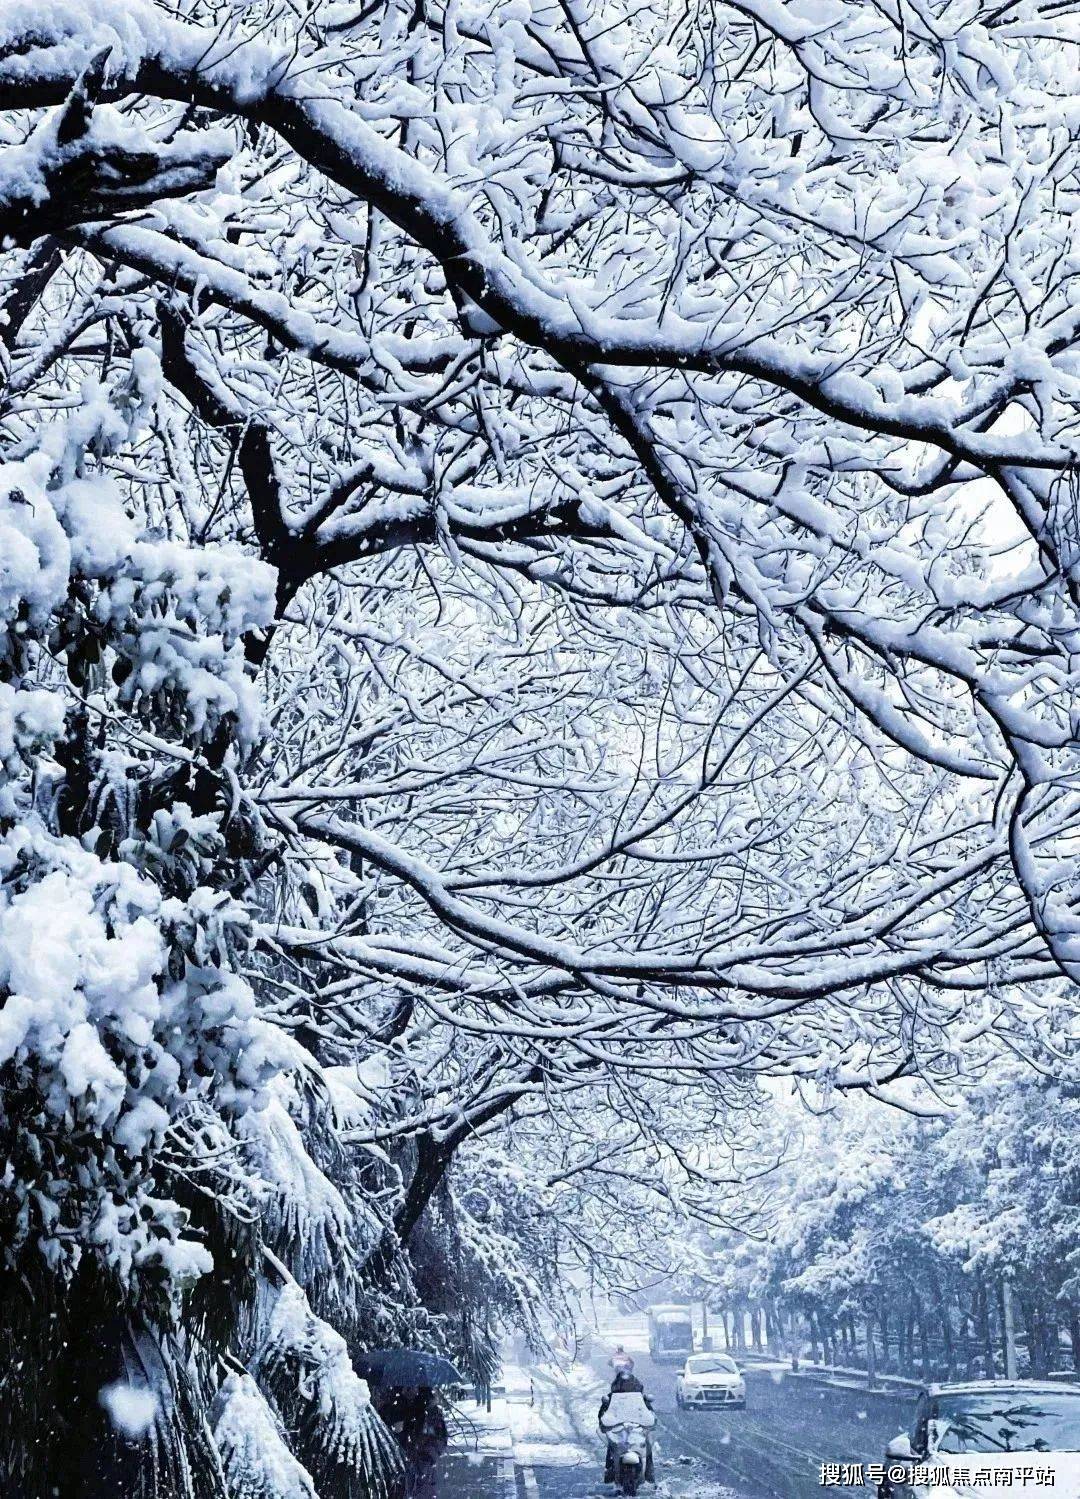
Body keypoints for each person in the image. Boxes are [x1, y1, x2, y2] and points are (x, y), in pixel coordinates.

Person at [598, 1370, 656, 1485]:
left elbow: (649, 1413)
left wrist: (650, 1420)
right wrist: (604, 1421)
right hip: (618, 1429)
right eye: (624, 1385)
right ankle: (610, 1470)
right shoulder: (611, 1399)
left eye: (629, 1385)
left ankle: (649, 1472)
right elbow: (603, 1413)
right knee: (612, 1446)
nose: (626, 1387)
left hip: (637, 1429)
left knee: (647, 1445)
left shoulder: (640, 1399)